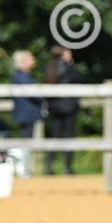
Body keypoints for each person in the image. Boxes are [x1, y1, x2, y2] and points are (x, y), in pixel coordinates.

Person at [44, 46, 83, 175]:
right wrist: (71, 65)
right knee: (68, 137)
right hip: (69, 107)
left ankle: (49, 166)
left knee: (54, 137)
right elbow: (80, 79)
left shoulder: (50, 68)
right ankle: (67, 167)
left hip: (54, 107)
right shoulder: (69, 69)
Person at [11, 50, 43, 139]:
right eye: (31, 59)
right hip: (26, 113)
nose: (33, 61)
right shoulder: (21, 77)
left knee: (28, 137)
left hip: (28, 113)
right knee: (26, 138)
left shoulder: (24, 76)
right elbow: (34, 93)